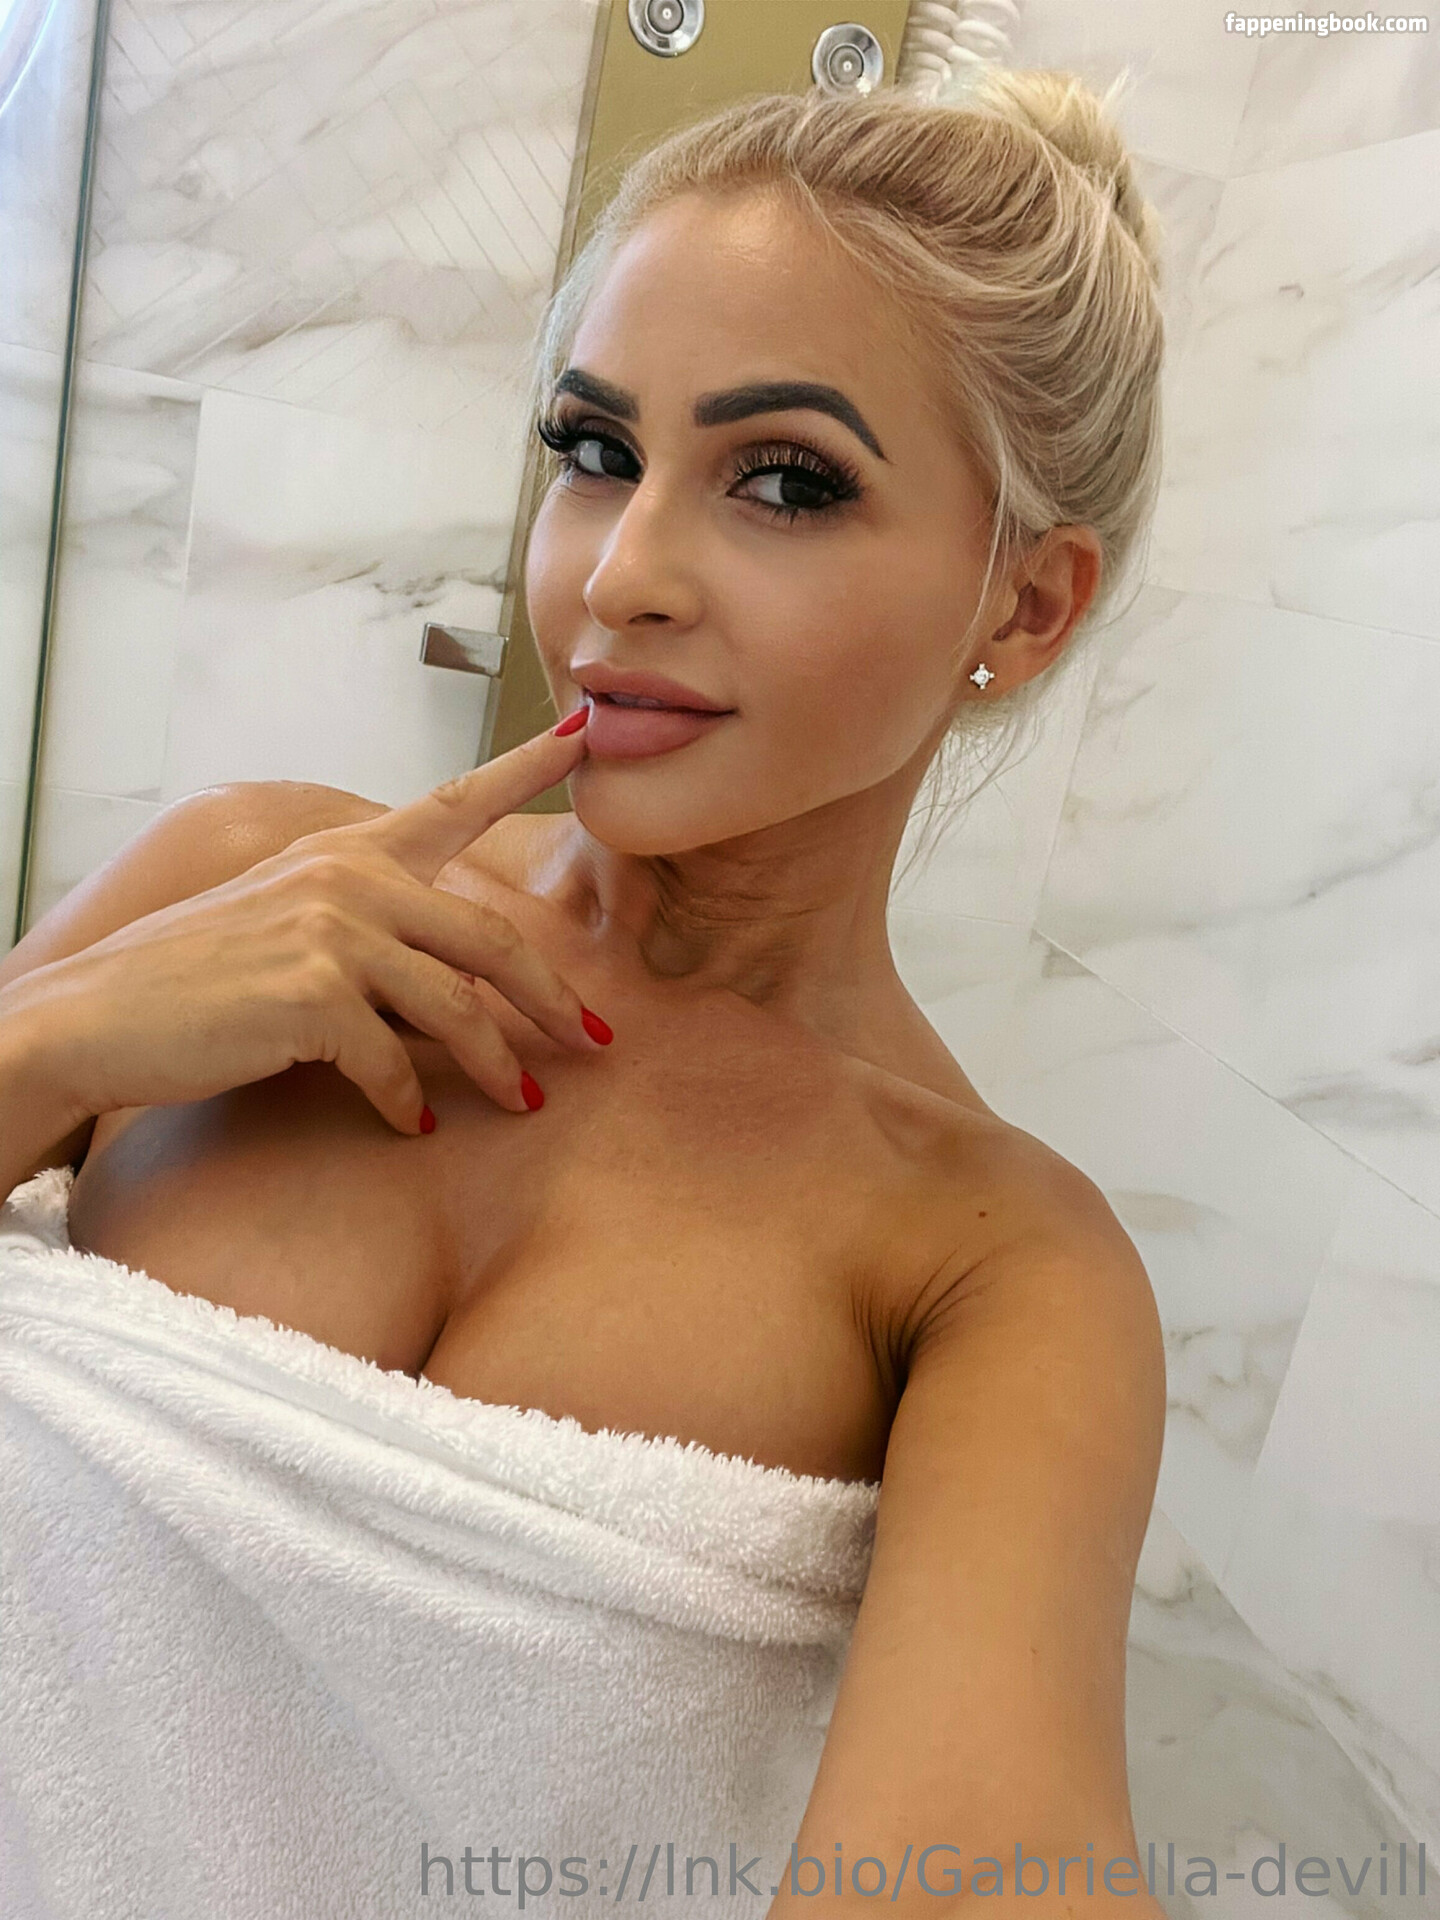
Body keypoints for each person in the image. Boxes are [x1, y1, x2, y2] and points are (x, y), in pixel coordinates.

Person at [0, 67, 1169, 1918]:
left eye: (784, 482)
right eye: (595, 451)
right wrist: (57, 1035)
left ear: (1024, 608)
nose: (619, 577)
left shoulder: (994, 1265)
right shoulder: (242, 875)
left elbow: (984, 1871)